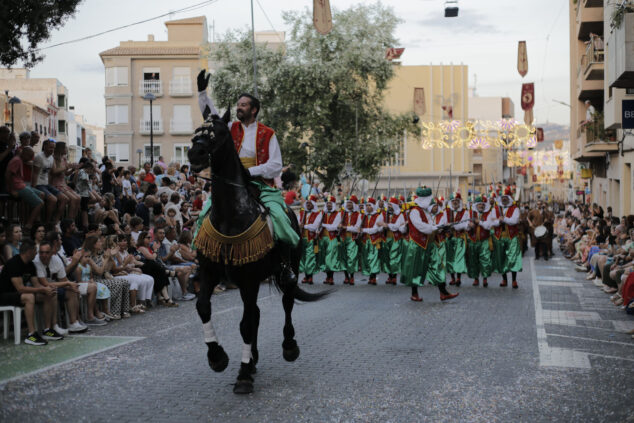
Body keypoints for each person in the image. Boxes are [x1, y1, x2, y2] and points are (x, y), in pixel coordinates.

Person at [197, 70, 300, 266]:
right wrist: (202, 92)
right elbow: (211, 116)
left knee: (279, 217)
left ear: (254, 110)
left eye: (243, 105)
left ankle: (285, 264)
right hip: (231, 185)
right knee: (204, 214)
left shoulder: (268, 133)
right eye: (238, 105)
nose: (239, 108)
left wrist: (250, 172)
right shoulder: (230, 127)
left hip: (260, 185)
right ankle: (204, 264)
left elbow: (276, 165)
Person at [0, 240, 61, 345]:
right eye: (35, 251)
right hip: (4, 295)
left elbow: (36, 285)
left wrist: (46, 289)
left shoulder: (30, 265)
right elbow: (20, 289)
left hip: (18, 295)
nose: (36, 254)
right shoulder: (14, 263)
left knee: (49, 294)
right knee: (29, 297)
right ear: (29, 251)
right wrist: (41, 289)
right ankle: (31, 334)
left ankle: (47, 330)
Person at [34, 241, 88, 333]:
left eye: (47, 253)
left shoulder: (56, 260)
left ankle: (73, 323)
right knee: (53, 290)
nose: (44, 255)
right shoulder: (36, 261)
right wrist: (68, 283)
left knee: (72, 290)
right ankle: (54, 326)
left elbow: (63, 280)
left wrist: (70, 285)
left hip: (55, 287)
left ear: (52, 253)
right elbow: (45, 283)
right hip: (41, 290)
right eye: (41, 252)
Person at [401, 187, 435, 301]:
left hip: (426, 243)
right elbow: (420, 226)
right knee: (414, 268)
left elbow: (430, 222)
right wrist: (432, 228)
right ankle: (414, 293)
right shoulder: (415, 211)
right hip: (416, 244)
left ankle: (443, 291)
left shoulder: (424, 210)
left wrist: (436, 227)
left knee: (434, 266)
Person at [6, 147, 44, 229]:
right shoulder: (16, 160)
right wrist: (12, 190)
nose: (30, 159)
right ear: (25, 154)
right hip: (18, 187)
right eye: (30, 157)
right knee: (40, 203)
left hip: (22, 185)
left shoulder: (20, 159)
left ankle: (36, 220)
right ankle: (29, 225)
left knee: (41, 194)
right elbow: (8, 174)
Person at [496, 187, 522, 289]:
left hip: (512, 237)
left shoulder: (515, 208)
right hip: (500, 237)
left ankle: (514, 280)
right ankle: (504, 279)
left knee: (513, 259)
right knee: (502, 259)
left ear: (509, 198)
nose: (504, 199)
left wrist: (504, 219)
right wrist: (498, 221)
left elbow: (514, 221)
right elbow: (493, 220)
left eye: (506, 197)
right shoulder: (497, 208)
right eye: (503, 198)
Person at [467, 196, 495, 287]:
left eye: (483, 204)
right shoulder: (470, 213)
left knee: (485, 259)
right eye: (479, 204)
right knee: (473, 260)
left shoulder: (489, 214)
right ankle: (476, 278)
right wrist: (469, 225)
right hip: (473, 240)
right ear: (476, 205)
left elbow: (488, 225)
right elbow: (465, 225)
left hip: (484, 240)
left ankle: (485, 278)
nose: (481, 206)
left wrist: (480, 222)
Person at [32, 139, 63, 223]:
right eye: (50, 147)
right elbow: (34, 173)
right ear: (44, 146)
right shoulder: (39, 157)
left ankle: (56, 220)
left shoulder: (51, 158)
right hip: (39, 184)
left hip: (46, 184)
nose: (52, 150)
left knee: (64, 199)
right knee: (53, 199)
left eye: (53, 148)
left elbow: (53, 172)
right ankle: (47, 222)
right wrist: (34, 188)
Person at [50, 142, 80, 221]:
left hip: (63, 184)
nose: (66, 149)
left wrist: (73, 169)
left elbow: (66, 173)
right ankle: (67, 221)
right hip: (56, 184)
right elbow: (55, 172)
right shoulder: (53, 158)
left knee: (78, 198)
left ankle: (73, 220)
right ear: (60, 148)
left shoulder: (64, 158)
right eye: (64, 148)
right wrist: (67, 167)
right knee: (73, 199)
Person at [382, 196, 407, 285]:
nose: (389, 207)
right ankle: (389, 275)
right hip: (386, 238)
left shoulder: (400, 215)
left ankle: (394, 276)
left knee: (394, 257)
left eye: (391, 205)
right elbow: (379, 224)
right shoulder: (385, 214)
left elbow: (396, 226)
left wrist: (387, 225)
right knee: (386, 257)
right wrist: (382, 226)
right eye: (388, 205)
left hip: (395, 238)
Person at [446, 193, 469, 286]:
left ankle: (458, 277)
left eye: (456, 201)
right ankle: (452, 278)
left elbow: (464, 225)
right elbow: (444, 223)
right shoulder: (446, 212)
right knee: (450, 258)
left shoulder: (465, 212)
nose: (455, 202)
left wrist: (453, 225)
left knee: (459, 258)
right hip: (449, 238)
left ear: (459, 202)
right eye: (453, 201)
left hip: (460, 238)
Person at [319, 195, 342, 285]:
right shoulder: (322, 213)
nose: (328, 205)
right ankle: (327, 276)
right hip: (322, 239)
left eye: (330, 204)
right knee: (324, 258)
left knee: (330, 258)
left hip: (332, 238)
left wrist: (323, 225)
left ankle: (331, 277)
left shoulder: (338, 214)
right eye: (327, 204)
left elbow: (333, 227)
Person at [298, 195, 322, 285]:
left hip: (311, 239)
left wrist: (304, 226)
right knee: (303, 258)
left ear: (313, 204)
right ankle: (306, 276)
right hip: (302, 239)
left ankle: (310, 276)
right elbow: (297, 223)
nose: (308, 204)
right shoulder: (301, 213)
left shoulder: (318, 214)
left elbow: (314, 227)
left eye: (309, 203)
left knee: (310, 258)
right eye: (307, 203)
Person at [359, 197, 383, 285]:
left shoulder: (378, 215)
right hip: (365, 241)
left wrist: (363, 230)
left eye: (370, 205)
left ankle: (373, 276)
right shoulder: (362, 216)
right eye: (367, 205)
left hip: (374, 240)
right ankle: (369, 274)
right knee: (366, 258)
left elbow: (375, 230)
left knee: (374, 258)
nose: (368, 207)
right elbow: (358, 227)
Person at [341, 195, 362, 285]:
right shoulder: (341, 214)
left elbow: (357, 228)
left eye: (350, 203)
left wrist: (345, 227)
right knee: (343, 257)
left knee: (352, 258)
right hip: (343, 238)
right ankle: (346, 276)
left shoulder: (359, 214)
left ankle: (352, 276)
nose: (348, 204)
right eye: (348, 203)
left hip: (352, 239)